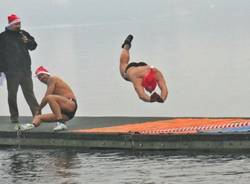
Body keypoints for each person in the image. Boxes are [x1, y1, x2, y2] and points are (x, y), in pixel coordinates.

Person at [0, 14, 39, 123]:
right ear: (11, 25)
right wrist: (2, 70)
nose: (19, 26)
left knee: (30, 93)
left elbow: (34, 46)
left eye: (19, 23)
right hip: (11, 72)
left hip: (25, 70)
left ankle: (37, 115)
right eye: (16, 24)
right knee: (12, 95)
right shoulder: (2, 37)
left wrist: (28, 42)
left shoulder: (23, 34)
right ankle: (14, 117)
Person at [19, 66, 77, 131]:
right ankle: (30, 125)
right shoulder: (50, 85)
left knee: (50, 97)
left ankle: (61, 123)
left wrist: (39, 109)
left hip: (70, 105)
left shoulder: (52, 79)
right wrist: (38, 113)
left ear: (47, 74)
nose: (41, 78)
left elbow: (47, 97)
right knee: (39, 117)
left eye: (42, 75)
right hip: (65, 115)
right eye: (39, 77)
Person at [119, 34, 168, 103]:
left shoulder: (156, 72)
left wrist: (162, 99)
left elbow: (164, 89)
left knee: (124, 63)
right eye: (148, 89)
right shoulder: (138, 79)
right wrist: (151, 100)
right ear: (143, 82)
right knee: (123, 65)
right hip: (131, 69)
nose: (150, 92)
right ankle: (126, 46)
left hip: (143, 67)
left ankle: (126, 46)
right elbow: (141, 95)